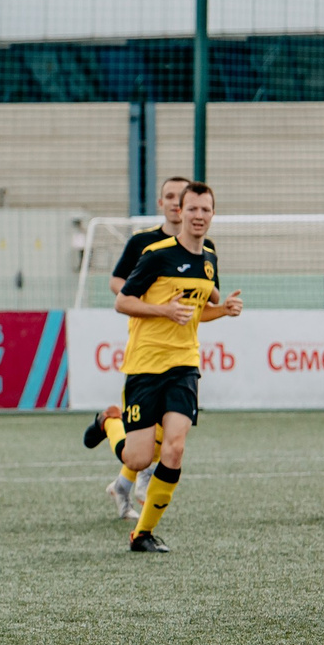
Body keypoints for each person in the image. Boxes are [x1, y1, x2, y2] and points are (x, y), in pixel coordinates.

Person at [110, 181, 243, 553]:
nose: (199, 216)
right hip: (144, 365)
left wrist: (223, 310)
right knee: (138, 457)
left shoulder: (209, 260)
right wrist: (162, 310)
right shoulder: (155, 254)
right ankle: (109, 421)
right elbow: (123, 301)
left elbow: (196, 315)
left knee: (174, 449)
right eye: (193, 209)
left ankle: (143, 534)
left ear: (213, 214)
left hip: (184, 366)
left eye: (206, 210)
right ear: (179, 212)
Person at [81, 173, 191, 520]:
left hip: (182, 353)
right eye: (170, 196)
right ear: (161, 203)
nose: (176, 203)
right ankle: (109, 424)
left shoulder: (202, 247)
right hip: (146, 349)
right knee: (144, 441)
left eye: (181, 197)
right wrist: (148, 299)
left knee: (170, 432)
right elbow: (118, 282)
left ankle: (125, 486)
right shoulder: (143, 243)